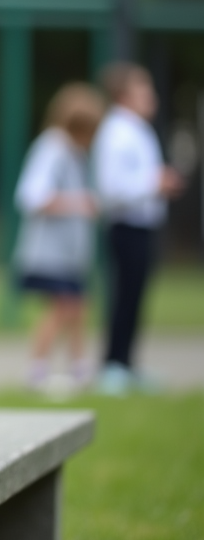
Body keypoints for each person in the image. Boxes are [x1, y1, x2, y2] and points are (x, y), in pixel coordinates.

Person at [93, 62, 183, 395]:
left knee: (136, 297)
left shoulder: (138, 129)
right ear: (124, 94)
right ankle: (113, 365)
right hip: (126, 225)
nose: (151, 96)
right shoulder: (117, 132)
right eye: (143, 88)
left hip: (142, 225)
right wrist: (154, 182)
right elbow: (112, 187)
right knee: (124, 296)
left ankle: (126, 363)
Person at [13, 82, 106, 393]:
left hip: (70, 253)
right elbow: (31, 196)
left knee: (78, 306)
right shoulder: (52, 147)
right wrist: (81, 202)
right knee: (63, 308)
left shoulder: (72, 152)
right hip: (49, 252)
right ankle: (37, 369)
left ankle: (80, 369)